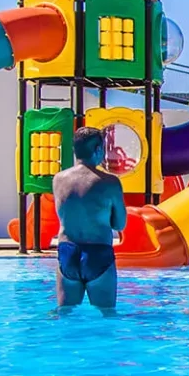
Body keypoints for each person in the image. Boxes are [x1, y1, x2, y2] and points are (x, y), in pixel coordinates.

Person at [52, 126, 128, 311]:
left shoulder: (58, 179)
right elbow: (120, 224)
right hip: (98, 253)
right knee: (107, 316)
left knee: (65, 315)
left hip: (67, 252)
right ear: (98, 150)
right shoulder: (109, 182)